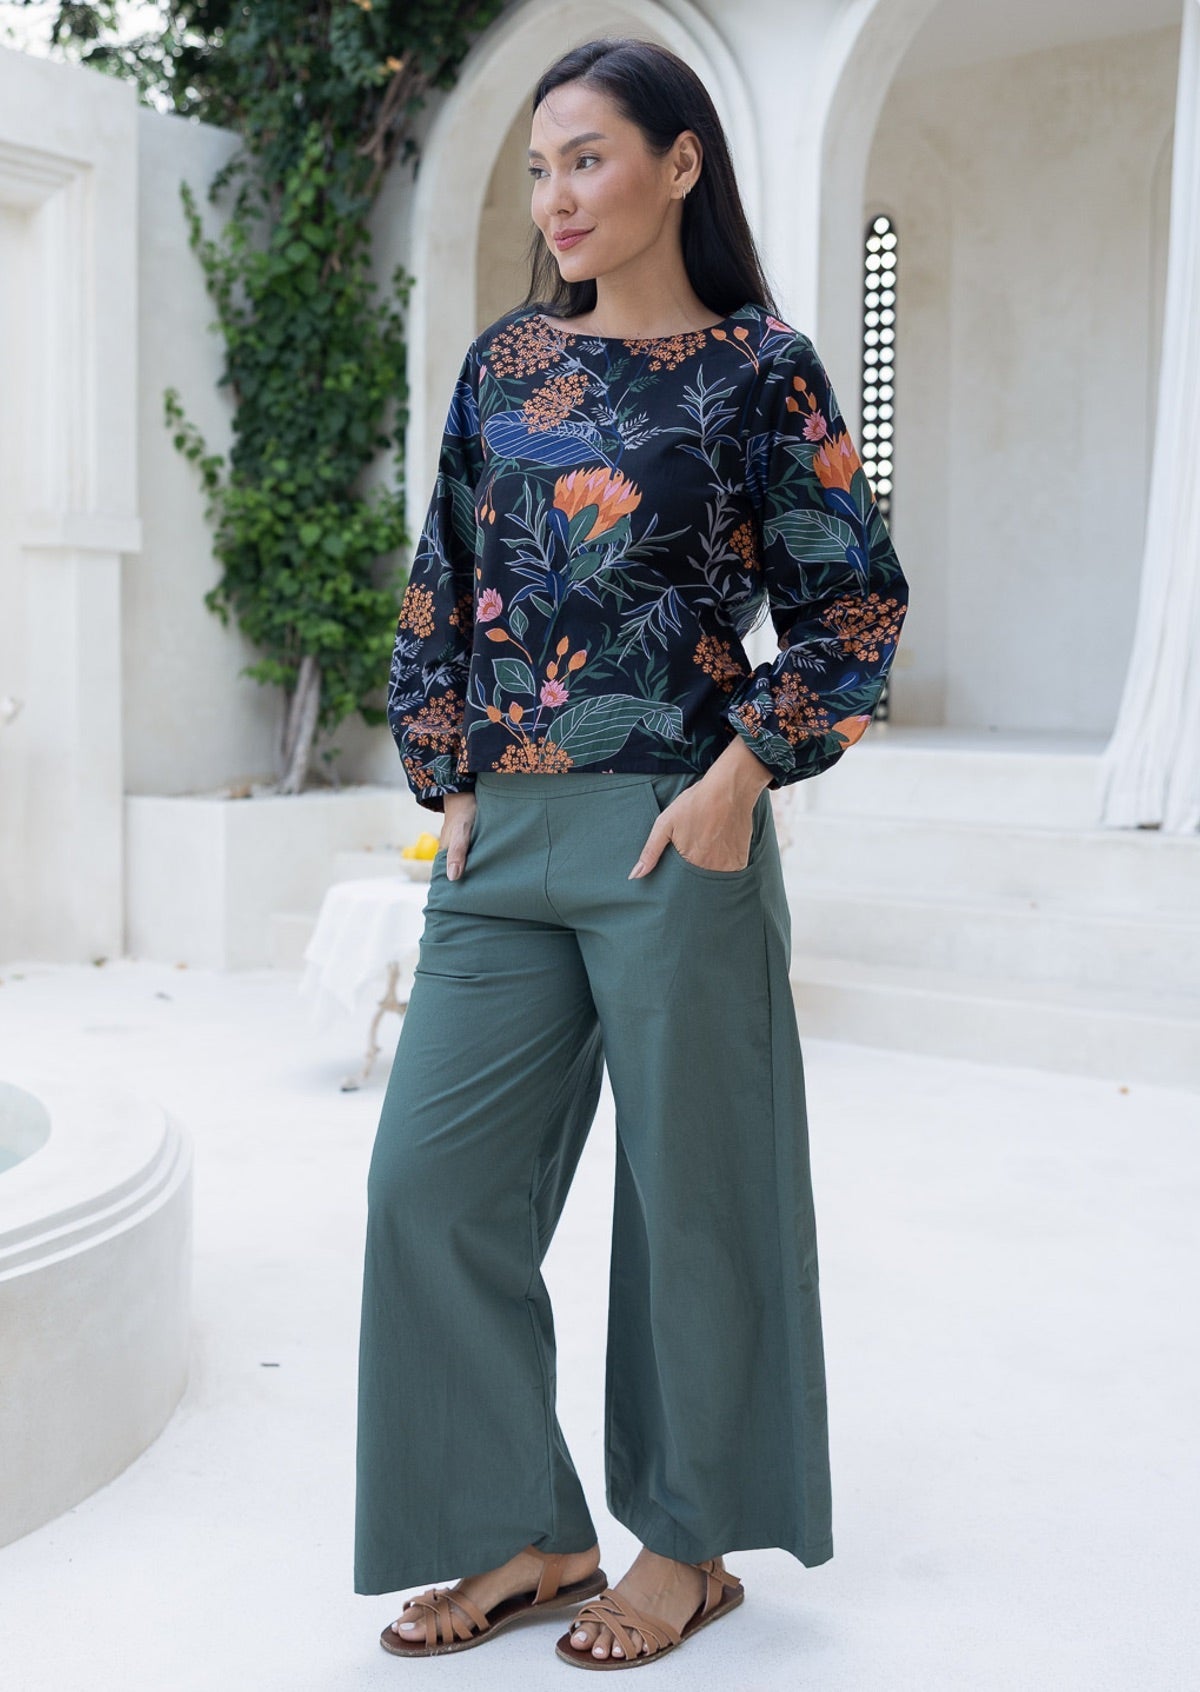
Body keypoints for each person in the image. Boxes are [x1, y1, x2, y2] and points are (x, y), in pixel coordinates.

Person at [355, 33, 909, 1670]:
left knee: (697, 1199)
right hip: (504, 831)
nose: (558, 195)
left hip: (680, 819)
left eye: (587, 157)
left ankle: (685, 1545)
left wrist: (747, 778)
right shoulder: (506, 366)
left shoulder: (764, 371)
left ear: (680, 163)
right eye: (539, 168)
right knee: (427, 1186)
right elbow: (441, 582)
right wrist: (447, 780)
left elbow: (853, 609)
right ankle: (526, 1532)